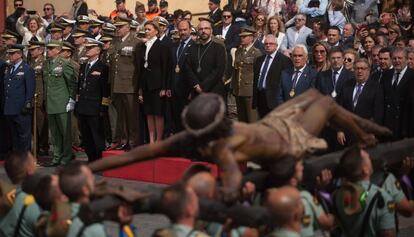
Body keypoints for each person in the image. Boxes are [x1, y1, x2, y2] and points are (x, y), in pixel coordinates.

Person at [89, 91, 391, 198]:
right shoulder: (224, 147)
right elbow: (232, 181)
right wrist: (232, 189)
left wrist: (90, 170)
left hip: (268, 126)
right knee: (325, 103)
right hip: (286, 140)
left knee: (312, 94)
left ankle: (368, 127)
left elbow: (136, 155)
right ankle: (365, 136)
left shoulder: (189, 138)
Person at [333, 147, 396, 237]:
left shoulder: (336, 196)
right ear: (365, 170)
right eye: (368, 158)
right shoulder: (381, 197)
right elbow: (388, 234)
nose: (371, 160)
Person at [76, 38, 109, 162]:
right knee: (86, 136)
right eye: (87, 47)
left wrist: (103, 107)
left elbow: (105, 90)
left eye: (90, 48)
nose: (87, 50)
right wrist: (78, 103)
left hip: (95, 107)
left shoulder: (103, 67)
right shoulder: (84, 66)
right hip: (83, 106)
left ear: (98, 50)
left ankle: (99, 160)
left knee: (97, 135)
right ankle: (91, 159)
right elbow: (80, 87)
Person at [43, 40, 76, 166]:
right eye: (48, 48)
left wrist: (71, 99)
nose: (49, 51)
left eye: (52, 48)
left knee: (65, 132)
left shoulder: (64, 64)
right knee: (55, 133)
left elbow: (71, 83)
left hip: (62, 102)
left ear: (58, 50)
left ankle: (67, 155)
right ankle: (57, 156)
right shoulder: (47, 64)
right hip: (51, 103)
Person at [336, 58, 384, 146]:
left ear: (368, 70)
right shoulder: (347, 85)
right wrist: (340, 130)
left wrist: (373, 132)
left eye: (363, 68)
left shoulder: (376, 88)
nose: (359, 71)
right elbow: (340, 110)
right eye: (357, 68)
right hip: (347, 135)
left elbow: (378, 114)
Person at [110, 16, 141, 150]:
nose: (118, 29)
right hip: (116, 84)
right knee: (121, 116)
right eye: (116, 27)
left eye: (120, 27)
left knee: (131, 115)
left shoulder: (136, 42)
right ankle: (124, 140)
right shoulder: (114, 42)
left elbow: (138, 66)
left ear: (128, 27)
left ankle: (133, 141)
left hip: (130, 84)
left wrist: (139, 87)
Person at [138, 21, 168, 143]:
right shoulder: (143, 46)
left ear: (156, 30)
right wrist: (140, 89)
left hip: (157, 85)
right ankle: (151, 140)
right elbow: (141, 68)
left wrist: (164, 87)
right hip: (146, 85)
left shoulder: (162, 46)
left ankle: (158, 140)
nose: (146, 31)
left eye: (149, 29)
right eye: (145, 29)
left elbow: (165, 67)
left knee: (158, 113)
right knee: (149, 113)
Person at [59, 162, 107, 237]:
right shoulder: (93, 229)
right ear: (85, 190)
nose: (94, 178)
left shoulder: (56, 215)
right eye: (91, 177)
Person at [2, 44, 35, 151]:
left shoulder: (26, 69)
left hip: (21, 108)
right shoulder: (9, 68)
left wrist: (27, 103)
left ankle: (25, 159)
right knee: (14, 136)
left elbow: (30, 89)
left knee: (24, 135)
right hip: (10, 108)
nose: (9, 56)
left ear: (20, 54)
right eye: (9, 53)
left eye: (12, 53)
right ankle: (17, 159)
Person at [0, 151, 40, 237]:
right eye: (34, 162)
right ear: (30, 170)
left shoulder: (4, 196)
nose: (35, 162)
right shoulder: (33, 203)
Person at [184, 18, 226, 99]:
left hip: (214, 91)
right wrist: (196, 85)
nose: (203, 31)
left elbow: (219, 70)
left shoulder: (218, 48)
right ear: (197, 31)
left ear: (211, 30)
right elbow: (188, 68)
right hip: (196, 91)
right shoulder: (192, 48)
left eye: (206, 28)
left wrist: (203, 86)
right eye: (201, 29)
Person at [253, 34, 292, 118]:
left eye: (271, 43)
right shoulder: (259, 59)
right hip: (260, 98)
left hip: (275, 100)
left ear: (276, 46)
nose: (268, 45)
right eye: (266, 44)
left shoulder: (285, 60)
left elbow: (287, 83)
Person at [382, 47, 414, 140]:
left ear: (406, 59)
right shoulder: (386, 75)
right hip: (387, 126)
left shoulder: (412, 75)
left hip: (405, 127)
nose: (397, 61)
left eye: (400, 58)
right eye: (394, 58)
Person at [232, 26, 262, 123]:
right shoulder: (238, 51)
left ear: (251, 38)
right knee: (241, 118)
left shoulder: (256, 53)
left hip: (250, 90)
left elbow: (258, 73)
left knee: (251, 118)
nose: (242, 39)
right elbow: (236, 70)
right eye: (241, 37)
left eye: (245, 37)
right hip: (239, 89)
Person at [170, 20, 193, 132]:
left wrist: (192, 90)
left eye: (185, 30)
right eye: (180, 30)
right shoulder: (174, 46)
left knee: (188, 120)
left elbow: (193, 71)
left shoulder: (194, 45)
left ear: (190, 30)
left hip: (187, 90)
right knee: (177, 120)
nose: (182, 32)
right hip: (175, 89)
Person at [28, 41, 49, 156]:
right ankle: (36, 146)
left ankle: (43, 146)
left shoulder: (45, 62)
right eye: (30, 50)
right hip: (32, 97)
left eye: (33, 49)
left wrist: (44, 98)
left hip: (40, 97)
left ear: (40, 50)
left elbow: (46, 82)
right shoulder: (31, 62)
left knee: (42, 124)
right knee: (33, 124)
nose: (31, 52)